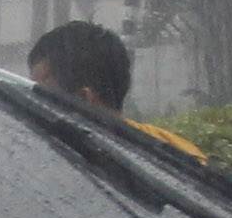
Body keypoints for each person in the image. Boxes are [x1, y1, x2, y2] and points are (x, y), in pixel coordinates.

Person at [27, 18, 207, 162]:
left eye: (42, 96)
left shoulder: (182, 165)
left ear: (83, 100)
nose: (31, 103)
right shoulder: (179, 155)